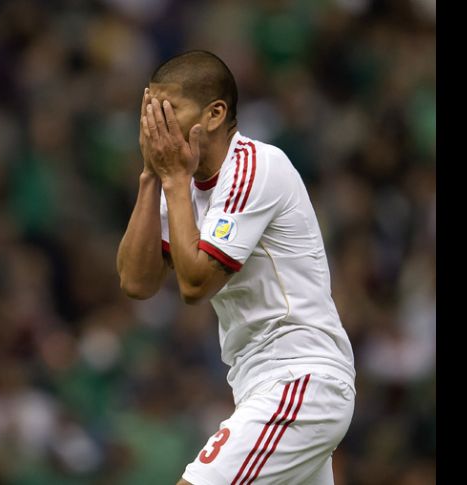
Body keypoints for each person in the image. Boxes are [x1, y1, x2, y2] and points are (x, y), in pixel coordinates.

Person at [116, 50, 356, 485]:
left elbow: (194, 284)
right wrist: (151, 177)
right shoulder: (181, 181)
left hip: (299, 378)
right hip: (258, 385)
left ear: (215, 113)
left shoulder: (255, 166)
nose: (157, 125)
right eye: (150, 112)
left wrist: (171, 180)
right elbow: (137, 281)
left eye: (169, 110)